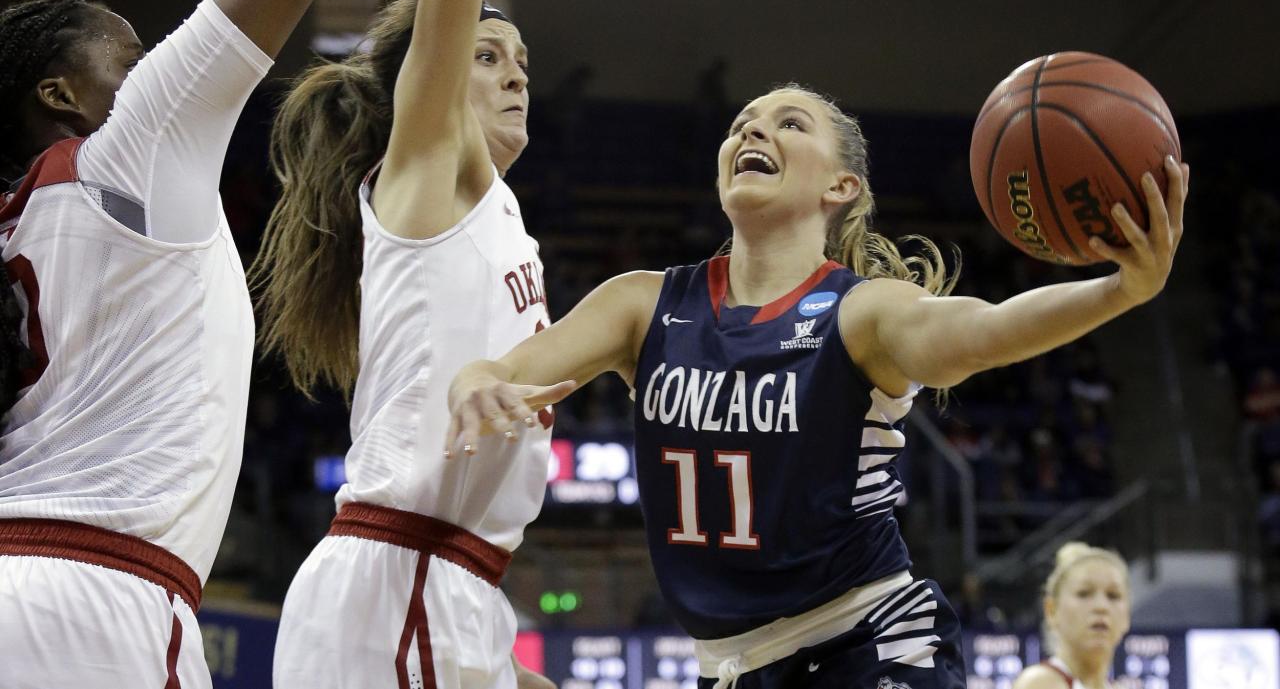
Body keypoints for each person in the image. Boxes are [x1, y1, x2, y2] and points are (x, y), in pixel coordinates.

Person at [449, 84, 1189, 689]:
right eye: (741, 124)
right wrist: (479, 377)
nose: (753, 132)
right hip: (729, 668)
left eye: (788, 123)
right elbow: (513, 368)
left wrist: (1119, 292)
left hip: (868, 643)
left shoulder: (863, 310)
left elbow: (983, 331)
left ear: (842, 184)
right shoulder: (644, 304)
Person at [0, 0, 355, 685]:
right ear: (60, 93)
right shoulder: (131, 150)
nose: (157, 64)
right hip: (99, 597)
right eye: (131, 58)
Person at [251, 0, 556, 686]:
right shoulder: (430, 172)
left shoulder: (500, 219)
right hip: (406, 574)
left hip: (439, 583)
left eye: (523, 63)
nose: (515, 77)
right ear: (431, 76)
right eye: (488, 56)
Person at [1013, 542, 1130, 689]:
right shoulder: (1040, 683)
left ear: (1127, 616)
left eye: (1113, 595)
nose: (1101, 606)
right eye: (1084, 593)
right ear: (1051, 610)